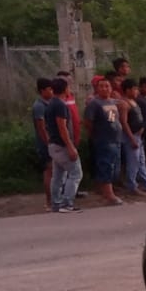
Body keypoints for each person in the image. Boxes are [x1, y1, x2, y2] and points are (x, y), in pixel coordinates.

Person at [83, 76, 124, 205]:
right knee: (105, 166)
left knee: (115, 168)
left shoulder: (113, 102)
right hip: (104, 140)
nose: (104, 89)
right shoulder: (95, 103)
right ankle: (109, 195)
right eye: (101, 86)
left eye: (107, 86)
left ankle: (105, 192)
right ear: (97, 88)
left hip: (116, 139)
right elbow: (88, 122)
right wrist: (95, 134)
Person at [44, 76, 82, 212]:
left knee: (58, 175)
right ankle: (67, 203)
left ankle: (56, 203)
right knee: (76, 173)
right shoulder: (60, 105)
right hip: (62, 145)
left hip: (54, 145)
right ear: (65, 89)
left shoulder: (50, 105)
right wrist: (70, 146)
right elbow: (62, 127)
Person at [117, 78, 146, 195]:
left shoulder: (133, 101)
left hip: (138, 136)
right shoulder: (124, 103)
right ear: (127, 90)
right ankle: (132, 185)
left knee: (141, 161)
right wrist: (131, 138)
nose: (136, 91)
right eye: (134, 89)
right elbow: (124, 122)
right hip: (131, 137)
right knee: (133, 161)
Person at [31, 77, 55, 210]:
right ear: (42, 91)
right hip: (46, 144)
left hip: (53, 142)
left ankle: (56, 198)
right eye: (49, 89)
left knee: (55, 171)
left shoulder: (50, 103)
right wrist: (48, 144)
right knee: (49, 171)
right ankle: (49, 201)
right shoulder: (39, 106)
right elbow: (41, 128)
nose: (52, 92)